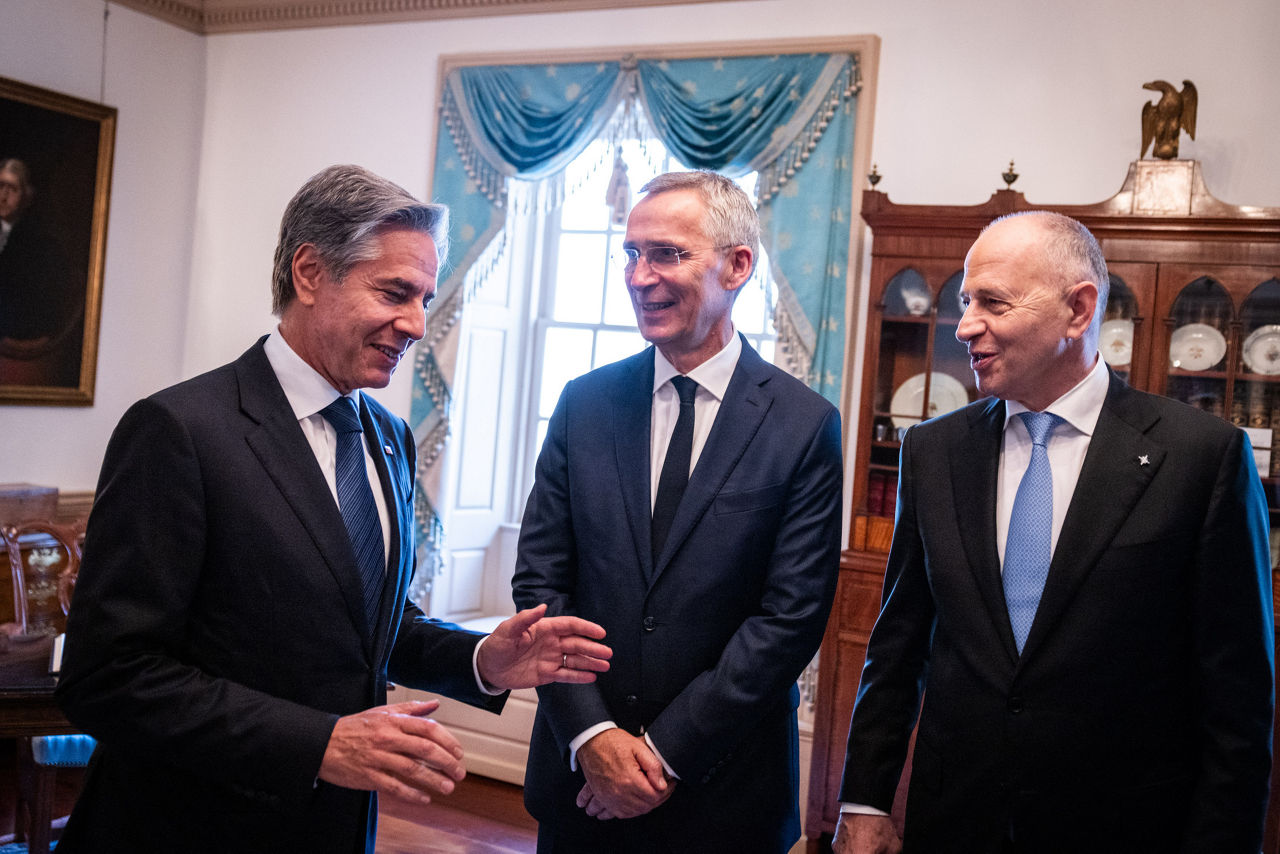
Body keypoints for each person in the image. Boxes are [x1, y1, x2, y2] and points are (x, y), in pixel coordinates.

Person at [55, 164, 614, 854]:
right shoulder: (179, 432)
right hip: (187, 826)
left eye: (425, 299)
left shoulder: (389, 438)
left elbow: (367, 623)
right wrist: (319, 743)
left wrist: (483, 663)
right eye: (395, 293)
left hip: (334, 828)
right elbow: (108, 677)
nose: (416, 324)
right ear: (311, 272)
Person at [834, 211, 1274, 854]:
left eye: (993, 302)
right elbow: (897, 646)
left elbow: (1237, 700)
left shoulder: (1201, 457)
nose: (965, 327)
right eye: (964, 302)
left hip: (1124, 829)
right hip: (956, 823)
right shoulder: (933, 450)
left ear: (1079, 309)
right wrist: (865, 800)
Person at [512, 170, 843, 853]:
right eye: (631, 253)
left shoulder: (804, 425)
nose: (639, 276)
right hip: (580, 785)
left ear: (738, 264)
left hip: (724, 795)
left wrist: (663, 753)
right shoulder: (584, 404)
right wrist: (594, 737)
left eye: (666, 254)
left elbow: (789, 619)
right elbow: (541, 584)